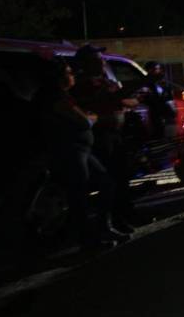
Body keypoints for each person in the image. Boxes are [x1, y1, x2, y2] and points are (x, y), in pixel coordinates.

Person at [37, 59, 126, 249]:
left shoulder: (63, 96)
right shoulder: (54, 98)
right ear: (58, 77)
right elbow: (84, 121)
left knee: (105, 183)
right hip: (69, 151)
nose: (72, 76)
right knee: (79, 196)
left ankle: (103, 227)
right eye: (69, 73)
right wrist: (91, 117)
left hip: (81, 150)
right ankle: (88, 240)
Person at [71, 44, 142, 231]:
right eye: (98, 59)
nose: (103, 61)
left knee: (121, 177)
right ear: (87, 63)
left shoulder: (104, 80)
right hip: (102, 137)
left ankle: (122, 216)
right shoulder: (85, 83)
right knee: (111, 179)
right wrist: (142, 82)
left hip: (116, 135)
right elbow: (115, 98)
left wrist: (132, 99)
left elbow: (124, 101)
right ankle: (110, 221)